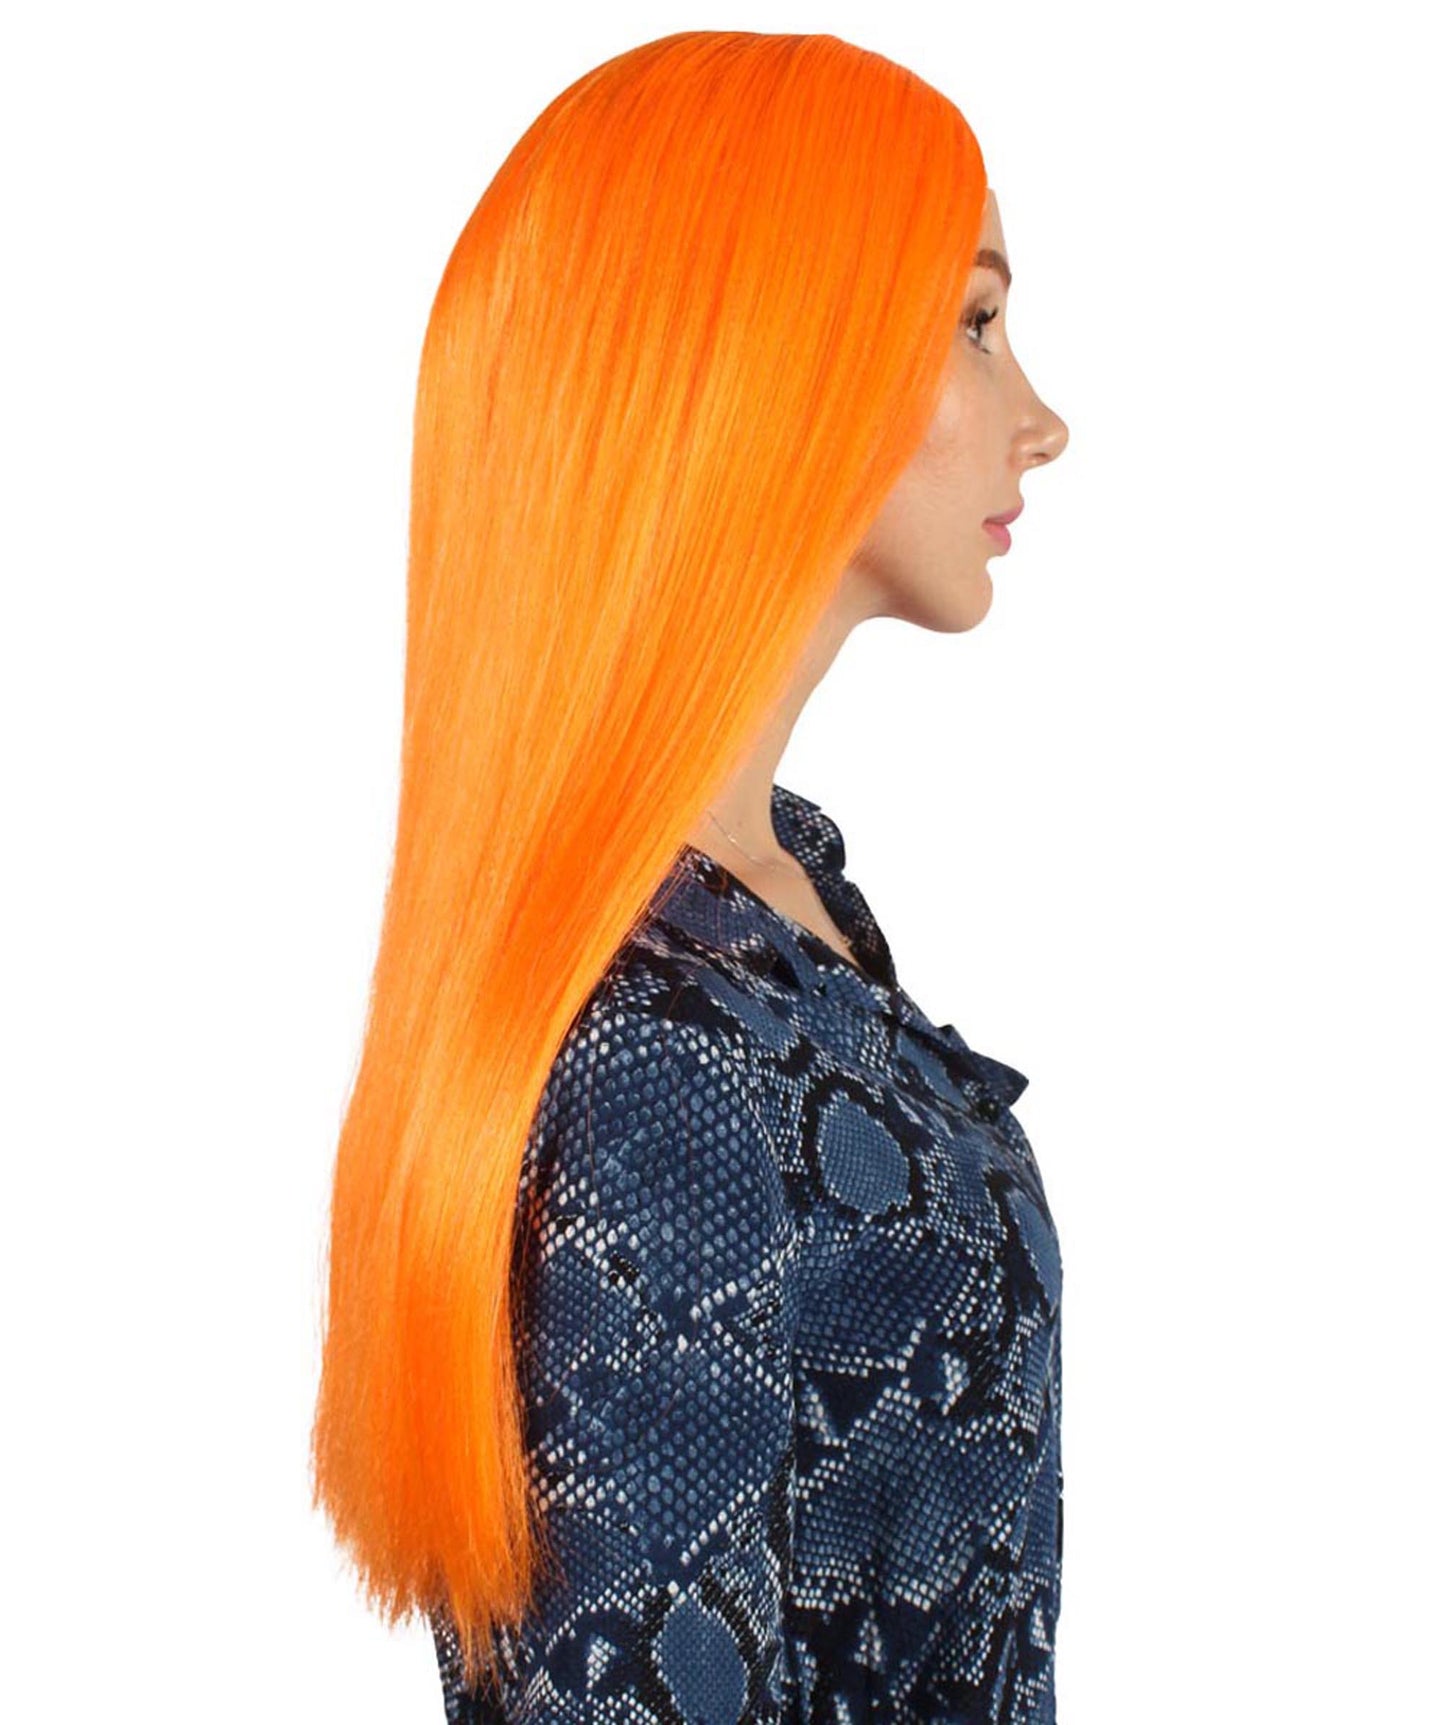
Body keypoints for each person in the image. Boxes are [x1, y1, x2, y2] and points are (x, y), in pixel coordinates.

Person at [310, 29, 1068, 1724]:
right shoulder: (670, 1049)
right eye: (972, 322)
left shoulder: (782, 919)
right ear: (772, 363)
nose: (1043, 421)